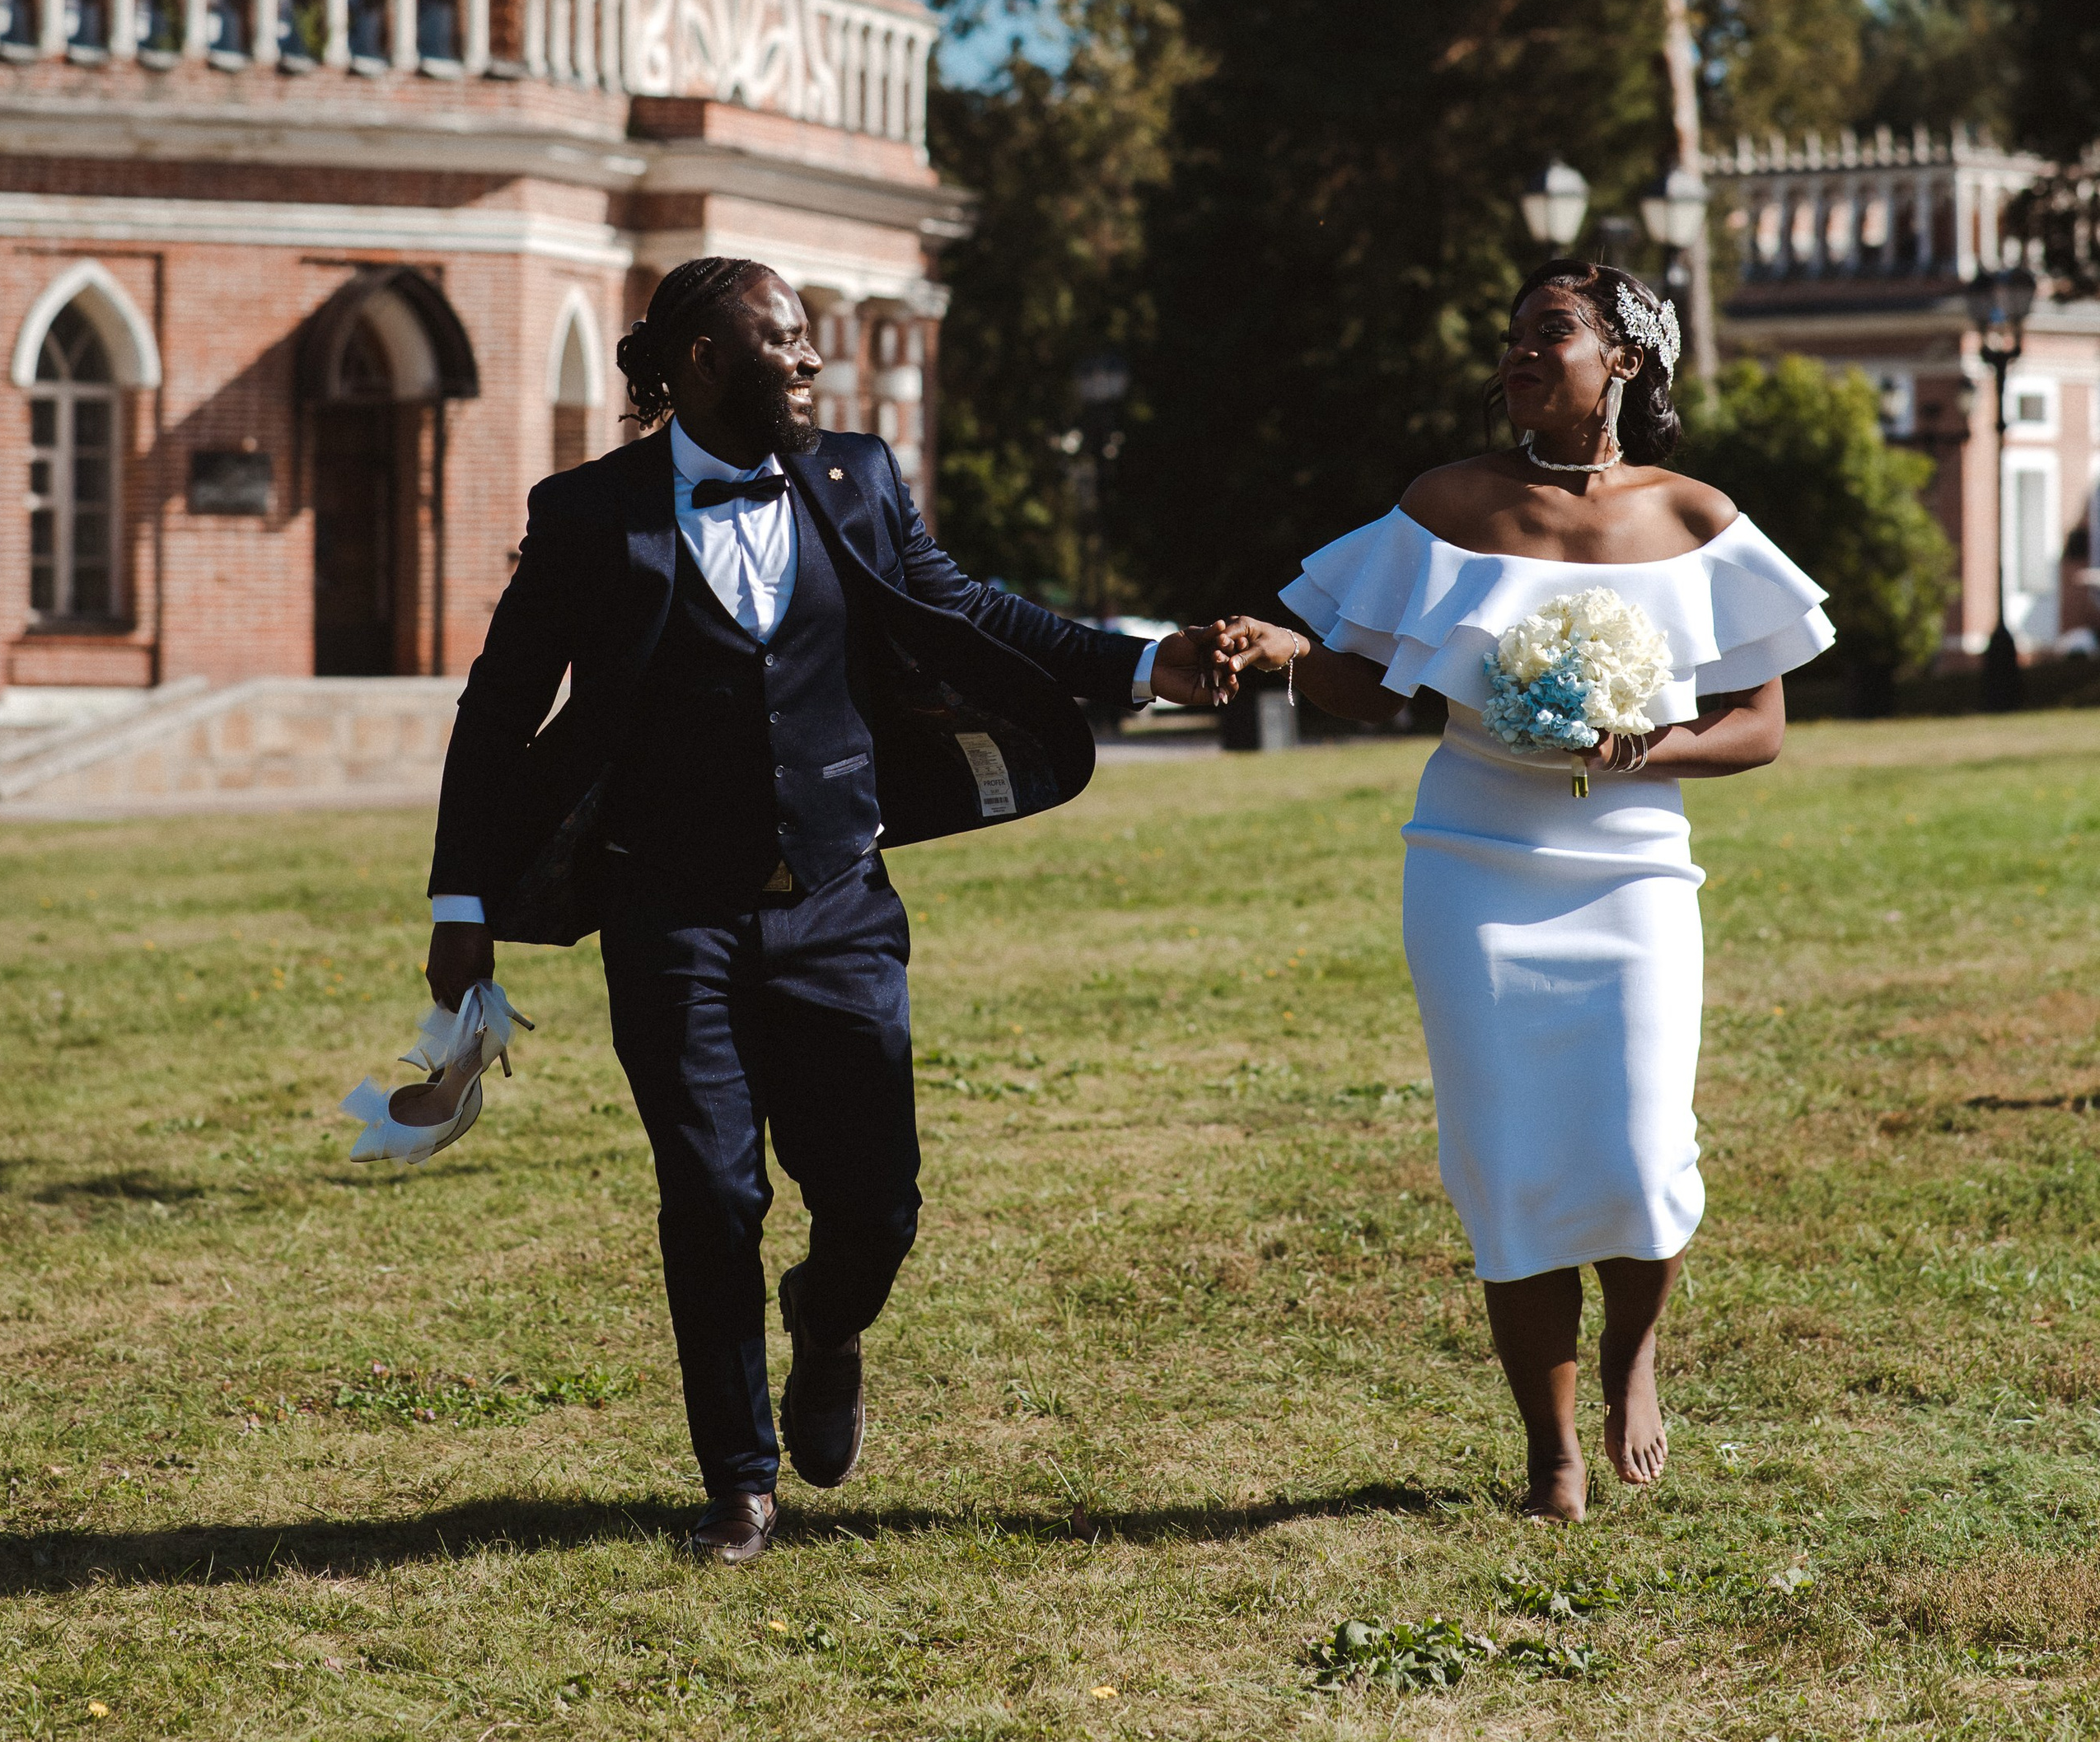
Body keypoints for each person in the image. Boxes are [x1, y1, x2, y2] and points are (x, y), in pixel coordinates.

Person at [423, 257, 1228, 1565]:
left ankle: (831, 1320)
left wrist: (1143, 662)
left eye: (809, 340)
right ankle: (739, 1481)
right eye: (780, 340)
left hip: (840, 905)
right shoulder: (588, 515)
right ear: (695, 363)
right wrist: (463, 895)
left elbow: (964, 611)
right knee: (708, 1193)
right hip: (668, 914)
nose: (809, 360)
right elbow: (498, 709)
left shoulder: (859, 479)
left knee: (878, 1206)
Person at [1218, 262, 1832, 1520]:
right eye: (1507, 339)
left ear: (1625, 362)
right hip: (1472, 867)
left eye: (1548, 334)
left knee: (1646, 1154)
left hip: (1635, 869)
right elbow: (1369, 681)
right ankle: (1548, 1447)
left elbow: (1761, 725)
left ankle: (1632, 1357)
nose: (1516, 356)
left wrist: (1643, 747)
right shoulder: (1445, 505)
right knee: (1508, 1160)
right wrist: (1292, 656)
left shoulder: (1696, 518)